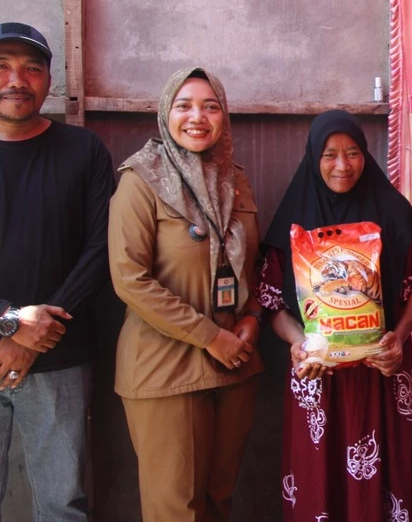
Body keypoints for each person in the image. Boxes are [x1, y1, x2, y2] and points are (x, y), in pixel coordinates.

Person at [0, 22, 114, 521]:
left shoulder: (84, 151)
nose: (16, 79)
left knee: (62, 501)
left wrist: (32, 336)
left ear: (48, 80)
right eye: (0, 65)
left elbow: (101, 250)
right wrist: (8, 321)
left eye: (32, 68)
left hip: (61, 358)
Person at [257, 110, 412, 522]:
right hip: (316, 375)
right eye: (330, 154)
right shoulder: (293, 218)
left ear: (365, 155)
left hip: (382, 371)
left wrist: (399, 334)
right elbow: (272, 301)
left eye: (353, 153)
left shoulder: (390, 210)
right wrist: (297, 342)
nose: (343, 165)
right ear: (313, 158)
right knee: (318, 479)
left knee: (386, 475)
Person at [109, 67, 263, 521]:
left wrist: (251, 317)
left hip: (235, 363)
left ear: (224, 117)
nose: (198, 116)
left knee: (219, 500)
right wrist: (210, 337)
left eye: (210, 106)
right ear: (165, 113)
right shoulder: (140, 181)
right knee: (177, 509)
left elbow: (251, 265)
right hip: (166, 369)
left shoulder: (234, 180)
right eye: (184, 105)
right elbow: (129, 278)